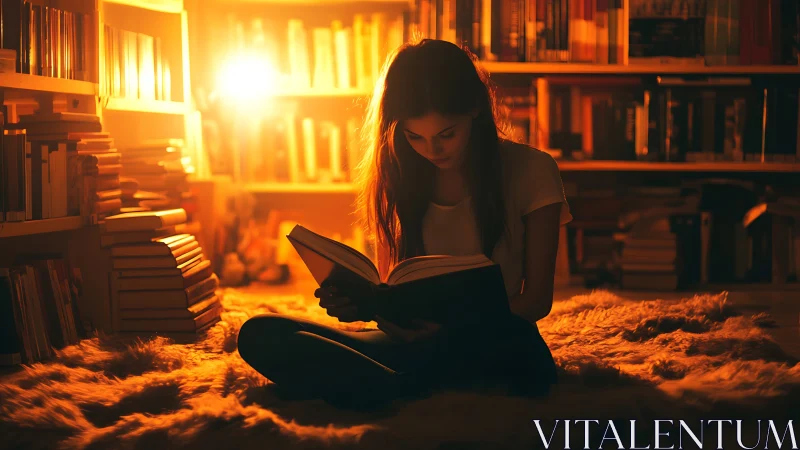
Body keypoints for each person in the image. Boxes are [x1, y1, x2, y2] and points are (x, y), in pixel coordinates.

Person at [237, 38, 573, 407]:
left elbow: (536, 301)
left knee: (516, 348)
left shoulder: (533, 170)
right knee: (260, 333)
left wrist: (451, 333)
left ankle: (387, 388)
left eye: (447, 134)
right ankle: (403, 389)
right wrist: (360, 304)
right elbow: (390, 286)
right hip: (411, 344)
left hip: (493, 341)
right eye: (415, 137)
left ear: (476, 108)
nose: (432, 150)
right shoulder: (400, 176)